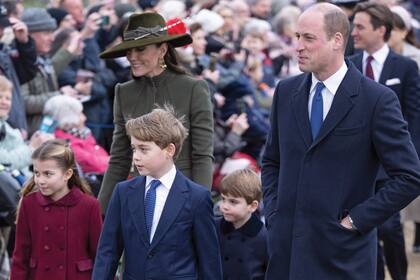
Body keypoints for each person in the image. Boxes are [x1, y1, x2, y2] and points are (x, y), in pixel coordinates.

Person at [261, 3, 420, 279]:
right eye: (297, 36)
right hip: (286, 254)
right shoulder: (286, 92)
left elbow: (409, 176)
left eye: (308, 38)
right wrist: (276, 213)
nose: (298, 46)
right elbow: (272, 160)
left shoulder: (376, 100)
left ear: (337, 41)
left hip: (343, 257)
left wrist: (355, 221)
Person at [97, 12, 214, 213]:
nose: (132, 57)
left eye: (141, 49)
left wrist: (199, 205)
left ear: (162, 49)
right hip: (139, 198)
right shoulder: (124, 92)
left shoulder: (193, 88)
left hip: (181, 197)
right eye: (129, 51)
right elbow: (119, 157)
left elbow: (202, 155)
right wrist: (100, 210)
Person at [92, 106, 222, 279]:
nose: (136, 156)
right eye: (134, 149)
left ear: (169, 150)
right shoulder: (123, 192)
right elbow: (108, 252)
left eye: (143, 149)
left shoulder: (197, 197)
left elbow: (209, 261)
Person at [349, 3, 420, 279]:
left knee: (389, 228)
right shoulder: (350, 65)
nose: (353, 32)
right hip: (356, 165)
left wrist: (408, 159)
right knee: (367, 228)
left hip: (391, 164)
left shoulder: (404, 67)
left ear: (381, 30)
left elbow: (414, 116)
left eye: (360, 27)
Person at [10, 140, 103, 280]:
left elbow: (100, 255)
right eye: (37, 173)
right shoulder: (29, 204)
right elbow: (20, 256)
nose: (40, 180)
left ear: (67, 174)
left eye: (48, 174)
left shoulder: (89, 205)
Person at [217, 168, 268, 280]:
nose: (224, 206)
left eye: (233, 202)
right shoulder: (214, 228)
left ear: (253, 206)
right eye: (223, 199)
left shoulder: (264, 238)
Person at [43, 95, 109, 174]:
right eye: (80, 114)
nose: (84, 118)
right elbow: (96, 166)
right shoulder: (67, 145)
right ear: (67, 119)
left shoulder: (81, 134)